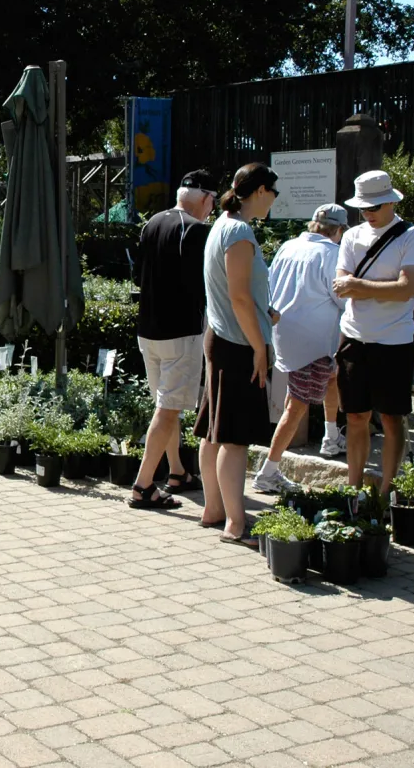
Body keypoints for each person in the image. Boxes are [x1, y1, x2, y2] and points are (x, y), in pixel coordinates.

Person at [195, 163, 281, 546]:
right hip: (237, 344)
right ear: (261, 190)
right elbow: (240, 296)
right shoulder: (240, 231)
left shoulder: (221, 225)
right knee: (234, 438)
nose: (275, 201)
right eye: (274, 193)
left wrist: (265, 312)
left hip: (222, 338)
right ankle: (235, 523)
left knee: (214, 432)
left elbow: (241, 296)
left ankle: (214, 509)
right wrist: (260, 347)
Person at [334, 170, 414, 494]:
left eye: (373, 207)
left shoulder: (413, 236)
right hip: (354, 336)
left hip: (394, 340)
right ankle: (354, 491)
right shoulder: (352, 236)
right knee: (356, 417)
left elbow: (407, 289)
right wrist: (378, 288)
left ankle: (387, 491)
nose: (367, 214)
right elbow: (340, 286)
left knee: (391, 418)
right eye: (363, 208)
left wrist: (360, 286)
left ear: (391, 201)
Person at [128, 169, 216, 510]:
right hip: (180, 332)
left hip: (147, 330)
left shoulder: (152, 222)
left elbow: (138, 273)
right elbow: (203, 285)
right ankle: (143, 485)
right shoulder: (197, 230)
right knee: (168, 410)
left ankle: (178, 472)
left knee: (165, 408)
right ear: (206, 199)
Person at [253, 204, 349, 494]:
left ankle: (331, 437)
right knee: (297, 405)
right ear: (339, 230)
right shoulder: (333, 254)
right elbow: (343, 298)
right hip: (314, 339)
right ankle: (268, 471)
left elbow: (269, 285)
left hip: (284, 332)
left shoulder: (288, 245)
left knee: (329, 378)